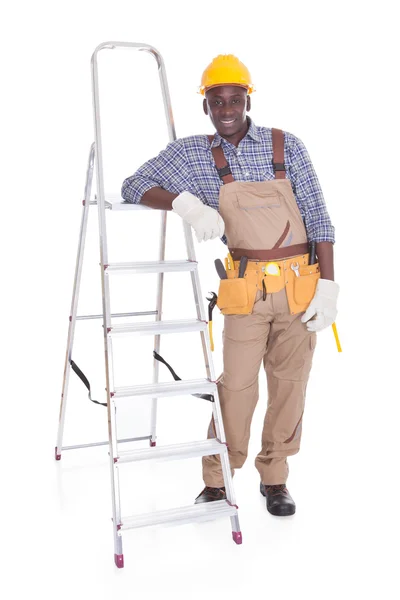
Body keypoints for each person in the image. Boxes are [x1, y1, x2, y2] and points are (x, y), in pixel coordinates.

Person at [121, 54, 339, 517]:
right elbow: (132, 184)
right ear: (205, 105)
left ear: (247, 100)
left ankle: (275, 478)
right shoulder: (191, 154)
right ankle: (219, 480)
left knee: (290, 386)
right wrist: (184, 203)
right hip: (245, 287)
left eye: (234, 99)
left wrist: (330, 286)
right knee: (236, 387)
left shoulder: (286, 146)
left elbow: (319, 217)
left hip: (302, 286)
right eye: (216, 100)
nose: (226, 109)